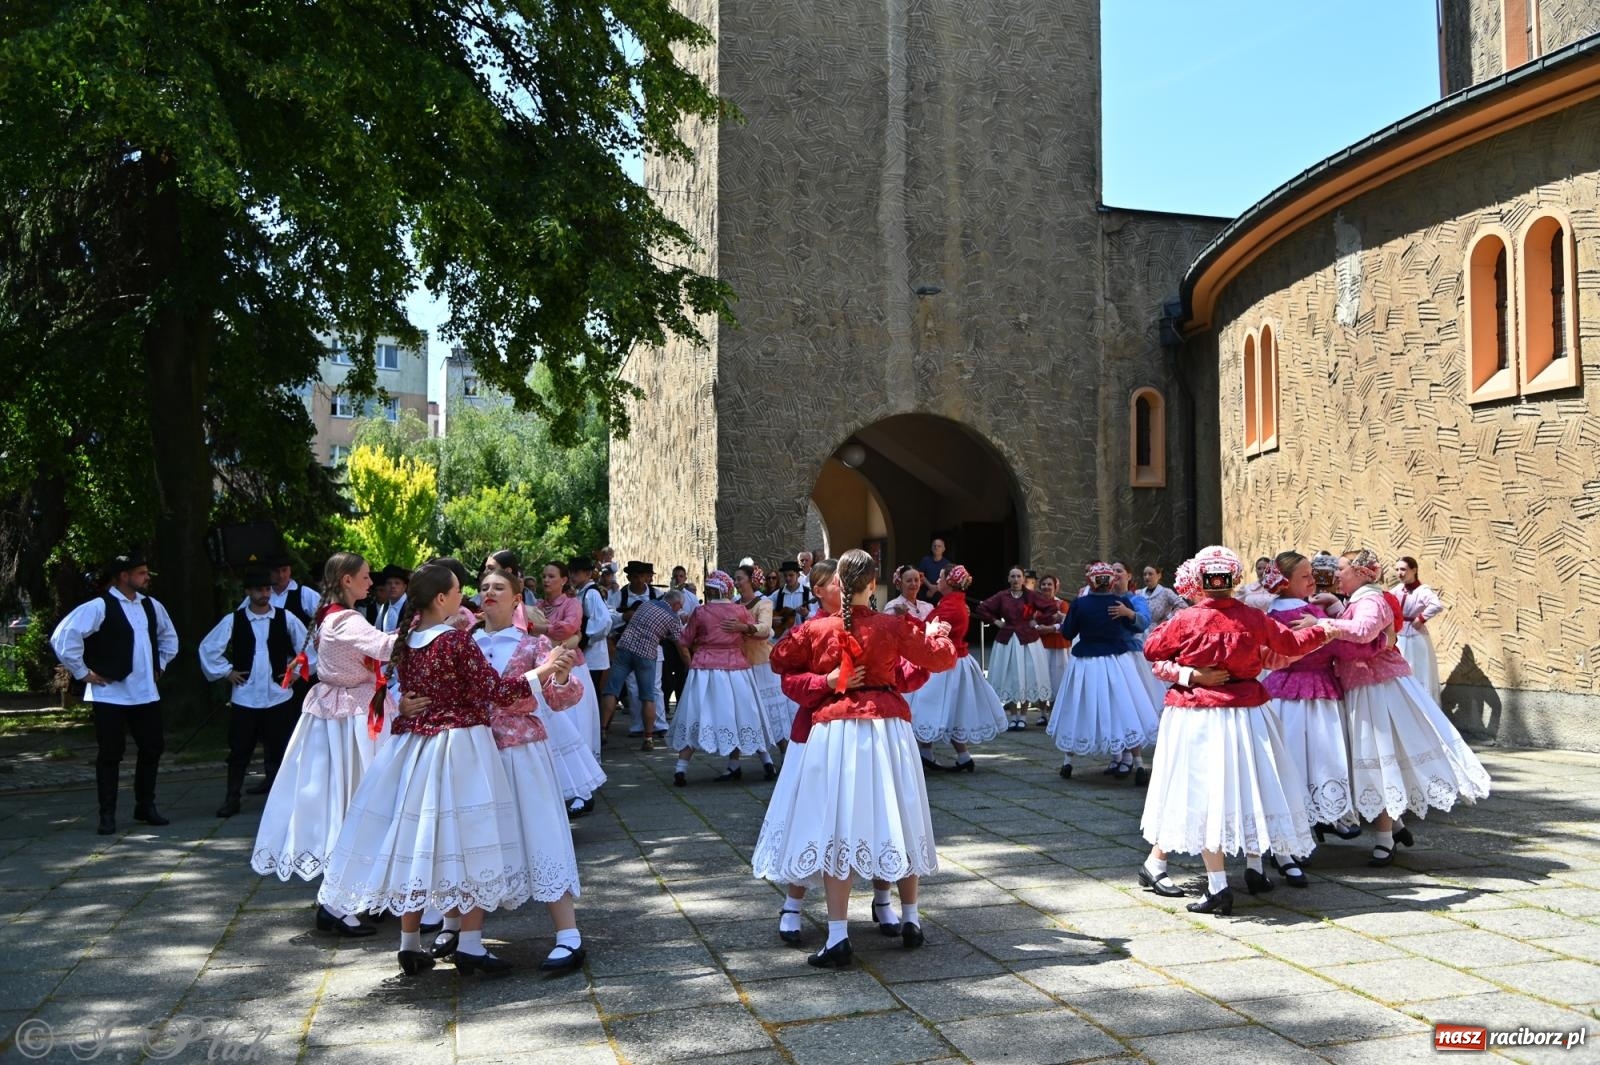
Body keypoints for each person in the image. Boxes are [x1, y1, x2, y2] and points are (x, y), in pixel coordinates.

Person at [317, 563, 572, 977]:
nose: (464, 598)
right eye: (458, 592)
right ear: (441, 599)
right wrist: (542, 673)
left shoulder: (410, 640)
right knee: (469, 839)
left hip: (414, 748)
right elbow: (496, 690)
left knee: (417, 842)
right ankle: (470, 943)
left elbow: (408, 692)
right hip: (459, 746)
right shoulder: (455, 642)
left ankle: (410, 942)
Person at [754, 549, 955, 969]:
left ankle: (839, 935)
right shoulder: (892, 625)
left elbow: (777, 659)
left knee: (838, 825)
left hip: (836, 733)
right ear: (871, 586)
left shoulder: (816, 629)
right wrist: (937, 631)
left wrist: (829, 679)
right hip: (887, 731)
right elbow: (940, 657)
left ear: (839, 585)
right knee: (896, 815)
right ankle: (911, 918)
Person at [1139, 546, 1332, 916]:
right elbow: (1292, 644)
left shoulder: (1185, 619)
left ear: (1200, 582)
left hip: (1196, 716)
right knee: (1249, 787)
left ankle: (1217, 885)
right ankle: (1251, 869)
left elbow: (1151, 649)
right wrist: (1327, 629)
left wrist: (1189, 673)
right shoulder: (1254, 618)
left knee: (1201, 790)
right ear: (1235, 580)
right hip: (1247, 714)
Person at [251, 552, 396, 937]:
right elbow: (386, 648)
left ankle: (351, 896)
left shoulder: (329, 615)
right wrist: (433, 624)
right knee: (357, 801)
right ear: (346, 580)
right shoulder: (345, 619)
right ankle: (337, 904)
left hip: (340, 714)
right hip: (350, 716)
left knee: (346, 801)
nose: (371, 582)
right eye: (365, 576)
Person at [1316, 549, 1490, 868]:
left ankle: (1385, 839)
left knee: (1378, 760)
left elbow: (1365, 631)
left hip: (1377, 688)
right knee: (1376, 759)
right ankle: (1394, 827)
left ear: (1361, 573)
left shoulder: (1370, 600)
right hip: (1366, 686)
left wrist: (1323, 625)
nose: (1335, 574)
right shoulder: (1361, 599)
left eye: (1341, 569)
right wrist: (1336, 610)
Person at [460, 568, 589, 974]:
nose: (489, 593)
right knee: (480, 839)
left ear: (518, 598)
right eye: (483, 588)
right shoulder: (463, 644)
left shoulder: (535, 644)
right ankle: (468, 941)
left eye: (499, 587)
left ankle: (568, 935)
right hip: (478, 753)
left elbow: (559, 699)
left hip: (524, 752)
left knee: (543, 831)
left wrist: (563, 672)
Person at [50, 553, 180, 835]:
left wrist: (160, 664)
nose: (147, 577)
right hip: (110, 694)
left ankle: (145, 806)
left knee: (152, 748)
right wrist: (83, 672)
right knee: (110, 753)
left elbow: (169, 637)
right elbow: (64, 635)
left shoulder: (151, 606)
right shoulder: (99, 606)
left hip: (145, 693)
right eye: (142, 572)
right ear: (124, 576)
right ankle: (106, 814)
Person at [1259, 552, 1355, 886]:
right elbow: (1335, 649)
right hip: (1309, 696)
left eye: (1313, 574)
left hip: (1286, 694)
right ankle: (1314, 825)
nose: (1313, 580)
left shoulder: (1274, 615)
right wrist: (1335, 619)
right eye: (1305, 576)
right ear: (1285, 582)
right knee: (1314, 760)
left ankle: (1308, 829)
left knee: (1300, 762)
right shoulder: (1308, 614)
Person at [201, 567, 310, 818]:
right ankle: (232, 799)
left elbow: (308, 648)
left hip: (278, 696)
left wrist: (294, 673)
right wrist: (227, 671)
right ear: (248, 592)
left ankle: (279, 800)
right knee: (239, 750)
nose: (265, 594)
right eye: (259, 590)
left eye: (267, 589)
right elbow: (208, 648)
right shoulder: (234, 620)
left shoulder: (286, 618)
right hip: (246, 696)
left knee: (279, 749)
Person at [1047, 562, 1163, 782]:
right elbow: (1137, 628)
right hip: (1117, 661)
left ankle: (1068, 762)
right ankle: (1138, 763)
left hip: (1086, 662)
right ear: (1110, 581)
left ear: (1091, 580)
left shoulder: (1080, 604)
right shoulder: (1121, 602)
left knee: (1079, 706)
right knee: (1124, 707)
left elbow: (1068, 632)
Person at [669, 571, 774, 783]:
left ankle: (681, 768)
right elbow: (760, 632)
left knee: (697, 713)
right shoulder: (739, 610)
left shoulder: (701, 611)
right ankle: (766, 762)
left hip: (705, 669)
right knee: (743, 712)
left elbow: (684, 639)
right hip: (737, 668)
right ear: (726, 589)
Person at [905, 565, 1005, 773]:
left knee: (931, 705)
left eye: (941, 577)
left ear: (950, 582)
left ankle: (935, 754)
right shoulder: (954, 601)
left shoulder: (950, 606)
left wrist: (905, 618)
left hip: (946, 662)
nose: (937, 580)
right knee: (950, 709)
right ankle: (953, 755)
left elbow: (927, 629)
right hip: (951, 660)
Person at [538, 561, 607, 796]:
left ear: (564, 580)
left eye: (551, 576)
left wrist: (539, 627)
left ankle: (581, 782)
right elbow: (525, 628)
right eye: (544, 576)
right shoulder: (537, 605)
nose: (546, 580)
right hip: (544, 667)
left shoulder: (572, 603)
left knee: (574, 720)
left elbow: (567, 628)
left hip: (571, 668)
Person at [973, 566, 1058, 730]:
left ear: (1023, 579)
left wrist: (1037, 620)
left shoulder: (1030, 595)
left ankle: (1023, 717)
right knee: (1010, 675)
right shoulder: (1002, 596)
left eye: (1018, 576)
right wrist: (996, 621)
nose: (1016, 579)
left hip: (1028, 640)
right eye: (1012, 576)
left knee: (1027, 676)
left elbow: (1051, 608)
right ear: (1008, 579)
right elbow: (982, 608)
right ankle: (1013, 716)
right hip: (1008, 638)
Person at [604, 587, 685, 751]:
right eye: (680, 606)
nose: (680, 609)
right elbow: (680, 646)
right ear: (676, 604)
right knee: (648, 696)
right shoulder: (673, 617)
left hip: (624, 648)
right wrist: (690, 664)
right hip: (646, 654)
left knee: (611, 691)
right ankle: (648, 738)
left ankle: (602, 730)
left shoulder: (645, 605)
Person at [733, 564, 797, 752]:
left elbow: (765, 629)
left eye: (740, 579)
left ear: (752, 581)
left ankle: (785, 756)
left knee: (771, 710)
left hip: (762, 663)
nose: (736, 582)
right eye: (735, 579)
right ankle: (734, 764)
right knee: (740, 710)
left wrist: (744, 628)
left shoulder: (764, 603)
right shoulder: (734, 603)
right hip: (740, 663)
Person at [611, 561, 666, 737]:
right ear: (629, 578)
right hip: (628, 647)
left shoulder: (657, 595)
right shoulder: (620, 596)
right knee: (634, 687)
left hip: (652, 646)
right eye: (635, 577)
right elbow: (608, 618)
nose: (639, 580)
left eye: (642, 576)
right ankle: (638, 725)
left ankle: (659, 724)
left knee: (655, 687)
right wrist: (624, 616)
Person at [568, 556, 614, 745]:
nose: (573, 576)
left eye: (577, 573)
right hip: (587, 651)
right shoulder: (581, 592)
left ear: (587, 574)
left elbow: (604, 621)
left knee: (592, 693)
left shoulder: (591, 594)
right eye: (571, 573)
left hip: (593, 653)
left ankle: (595, 733)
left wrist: (585, 638)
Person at [1391, 557, 1445, 706]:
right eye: (1397, 569)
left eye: (1403, 569)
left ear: (1414, 570)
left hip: (1415, 638)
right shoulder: (1397, 589)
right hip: (1399, 636)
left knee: (1418, 671)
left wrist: (1421, 618)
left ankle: (1423, 707)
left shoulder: (1422, 590)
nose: (1399, 573)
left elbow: (1436, 605)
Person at [1035, 574, 1071, 725]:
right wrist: (1038, 627)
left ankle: (1056, 714)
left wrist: (1050, 628)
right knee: (1042, 677)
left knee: (1058, 679)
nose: (1046, 587)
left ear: (1056, 587)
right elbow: (1029, 620)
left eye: (1050, 584)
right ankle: (1043, 714)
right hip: (1040, 645)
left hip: (1059, 646)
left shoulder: (1062, 604)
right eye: (1044, 584)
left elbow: (1067, 622)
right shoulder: (1034, 604)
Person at [770, 561, 815, 639]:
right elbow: (763, 609)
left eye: (791, 575)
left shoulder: (808, 594)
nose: (788, 578)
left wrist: (807, 614)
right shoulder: (777, 594)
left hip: (803, 639)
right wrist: (771, 620)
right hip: (782, 639)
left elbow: (817, 616)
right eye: (785, 575)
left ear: (798, 575)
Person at [375, 565, 410, 633]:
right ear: (385, 586)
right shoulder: (384, 607)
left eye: (397, 583)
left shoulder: (412, 606)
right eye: (389, 583)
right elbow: (377, 631)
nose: (393, 586)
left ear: (404, 586)